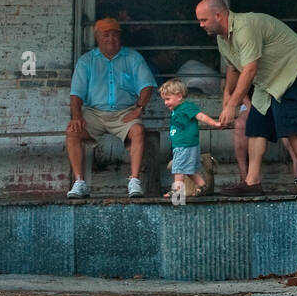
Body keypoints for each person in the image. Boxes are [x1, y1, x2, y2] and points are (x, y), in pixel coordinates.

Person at [195, 0, 297, 195]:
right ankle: (252, 181)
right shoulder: (222, 38)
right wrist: (226, 95)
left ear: (218, 15)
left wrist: (233, 104)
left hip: (293, 69)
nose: (201, 25)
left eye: (203, 20)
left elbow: (249, 70)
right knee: (256, 125)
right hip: (268, 79)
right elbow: (233, 67)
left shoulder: (245, 27)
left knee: (291, 123)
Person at [64, 18, 157, 199]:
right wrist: (76, 117)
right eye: (106, 35)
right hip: (94, 113)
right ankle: (79, 182)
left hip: (124, 113)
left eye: (115, 35)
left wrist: (138, 108)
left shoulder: (132, 57)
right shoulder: (87, 61)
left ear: (120, 37)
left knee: (138, 130)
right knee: (72, 131)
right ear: (97, 37)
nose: (110, 39)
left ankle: (134, 181)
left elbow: (147, 85)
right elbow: (76, 94)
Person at [159, 79, 217, 198]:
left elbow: (200, 115)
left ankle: (177, 190)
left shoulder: (186, 107)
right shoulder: (176, 110)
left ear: (179, 96)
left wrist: (214, 123)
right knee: (190, 171)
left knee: (178, 168)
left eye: (168, 99)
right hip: (183, 145)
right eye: (164, 100)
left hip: (184, 145)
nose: (165, 103)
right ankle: (202, 186)